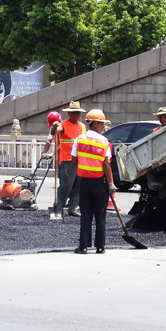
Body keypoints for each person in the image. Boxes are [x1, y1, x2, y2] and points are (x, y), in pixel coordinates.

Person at [72, 109, 115, 254]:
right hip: (99, 183)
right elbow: (106, 164)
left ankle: (83, 246)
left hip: (84, 182)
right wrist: (110, 184)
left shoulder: (79, 139)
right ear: (95, 124)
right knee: (100, 215)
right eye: (102, 123)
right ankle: (100, 247)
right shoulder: (104, 143)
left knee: (86, 214)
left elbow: (73, 161)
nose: (103, 126)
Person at [54, 101, 87, 217]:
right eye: (73, 113)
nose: (75, 115)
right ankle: (59, 208)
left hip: (80, 160)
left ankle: (73, 208)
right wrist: (54, 127)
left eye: (77, 113)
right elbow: (55, 132)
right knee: (66, 186)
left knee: (78, 186)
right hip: (67, 160)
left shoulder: (82, 126)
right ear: (69, 114)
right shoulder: (63, 124)